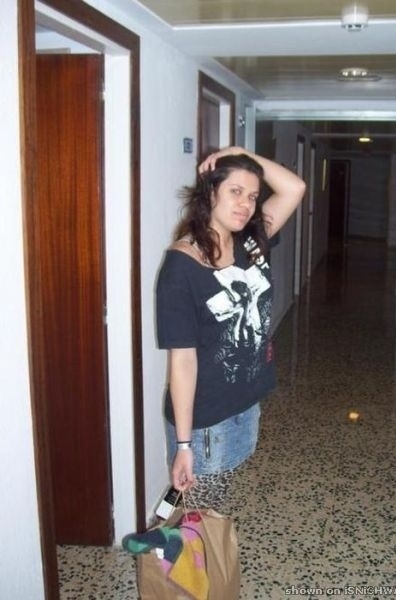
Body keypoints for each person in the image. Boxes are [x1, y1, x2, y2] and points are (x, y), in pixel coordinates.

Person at [156, 145, 306, 508]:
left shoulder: (249, 242)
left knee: (214, 508)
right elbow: (183, 361)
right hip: (207, 419)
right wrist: (185, 445)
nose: (246, 204)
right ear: (210, 193)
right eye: (235, 191)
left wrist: (240, 152)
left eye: (252, 196)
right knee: (202, 515)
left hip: (245, 403)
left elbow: (295, 188)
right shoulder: (182, 266)